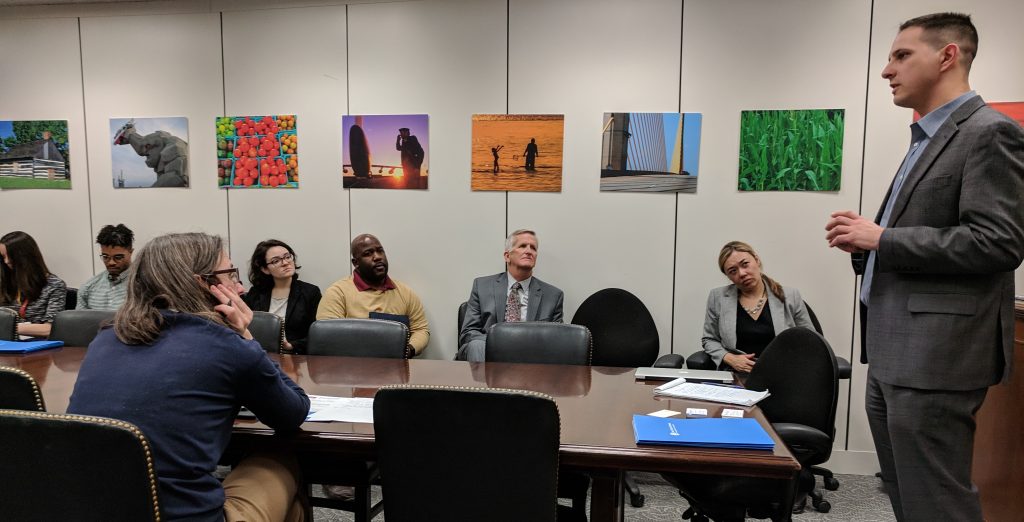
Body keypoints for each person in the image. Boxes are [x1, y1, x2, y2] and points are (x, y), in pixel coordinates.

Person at [824, 13, 1024, 521]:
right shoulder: (928, 138)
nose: (887, 70)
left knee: (937, 502)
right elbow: (925, 238)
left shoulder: (989, 132)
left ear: (948, 55)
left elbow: (998, 242)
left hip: (936, 358)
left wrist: (885, 238)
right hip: (895, 351)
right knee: (906, 496)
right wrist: (868, 244)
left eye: (901, 55)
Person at [67, 232, 310, 522]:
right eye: (230, 274)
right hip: (185, 516)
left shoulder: (107, 337)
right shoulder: (225, 344)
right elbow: (293, 412)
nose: (241, 287)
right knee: (280, 461)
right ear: (203, 283)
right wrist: (245, 337)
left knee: (288, 508)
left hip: (91, 511)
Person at [700, 241, 814, 373]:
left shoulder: (790, 295)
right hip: (736, 374)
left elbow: (810, 339)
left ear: (757, 260)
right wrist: (729, 358)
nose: (742, 273)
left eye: (745, 264)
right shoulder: (718, 297)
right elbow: (709, 339)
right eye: (733, 271)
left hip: (782, 374)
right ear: (728, 277)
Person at [457, 229, 564, 362]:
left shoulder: (553, 296)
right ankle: (485, 384)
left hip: (530, 357)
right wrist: (502, 344)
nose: (529, 251)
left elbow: (555, 340)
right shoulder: (482, 286)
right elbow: (468, 332)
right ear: (507, 256)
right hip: (487, 352)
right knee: (476, 345)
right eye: (523, 246)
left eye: (533, 248)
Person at [316, 233, 429, 358]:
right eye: (368, 254)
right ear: (356, 263)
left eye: (380, 251)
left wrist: (408, 350)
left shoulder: (405, 293)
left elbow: (420, 330)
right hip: (351, 370)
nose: (377, 257)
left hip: (396, 370)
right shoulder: (337, 293)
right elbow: (326, 338)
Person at [243, 239, 322, 354]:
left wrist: (291, 346)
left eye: (287, 257)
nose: (285, 262)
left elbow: (317, 334)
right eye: (276, 261)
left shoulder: (310, 292)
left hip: (296, 357)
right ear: (265, 269)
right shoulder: (255, 294)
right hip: (262, 354)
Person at [0, 231, 66, 338]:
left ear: (25, 256)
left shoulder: (54, 285)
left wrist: (8, 327)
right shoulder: (4, 283)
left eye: (10, 256)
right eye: (3, 256)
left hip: (35, 346)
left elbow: (50, 328)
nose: (6, 261)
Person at [77, 224, 133, 310]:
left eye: (118, 257)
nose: (111, 262)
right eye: (105, 257)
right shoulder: (88, 287)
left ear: (131, 252)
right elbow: (78, 322)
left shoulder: (143, 285)